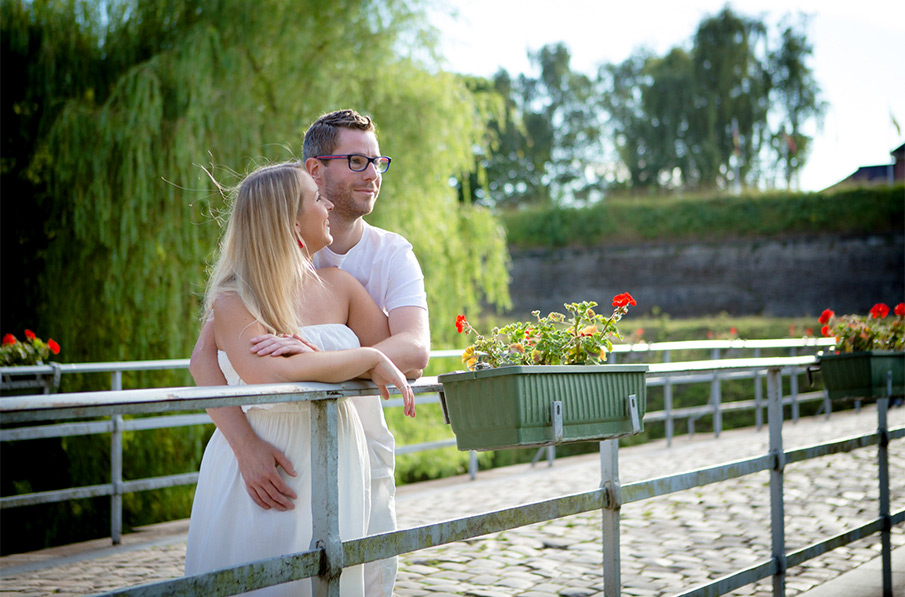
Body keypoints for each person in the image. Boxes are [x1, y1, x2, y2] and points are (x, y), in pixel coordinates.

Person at [190, 109, 430, 596]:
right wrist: (246, 445)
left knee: (339, 576)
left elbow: (414, 350)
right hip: (271, 453)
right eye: (358, 161)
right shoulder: (243, 291)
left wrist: (325, 355)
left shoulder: (361, 272)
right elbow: (224, 364)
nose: (373, 174)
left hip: (347, 447)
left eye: (377, 161)